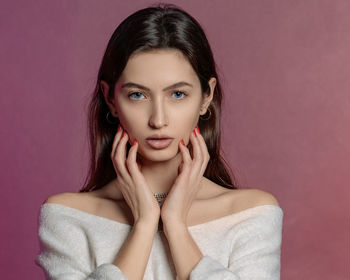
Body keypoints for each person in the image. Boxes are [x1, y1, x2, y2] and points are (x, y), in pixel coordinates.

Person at [35, 3, 283, 280]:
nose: (158, 119)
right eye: (137, 95)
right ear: (110, 99)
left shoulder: (250, 215)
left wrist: (175, 225)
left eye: (177, 94)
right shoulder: (68, 217)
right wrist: (144, 225)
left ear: (206, 96)